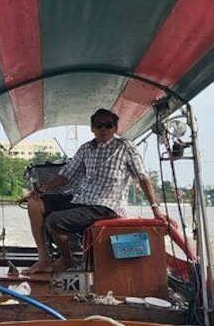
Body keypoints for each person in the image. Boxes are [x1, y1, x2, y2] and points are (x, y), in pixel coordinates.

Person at [19, 109, 170, 274]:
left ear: (115, 127)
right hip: (82, 200)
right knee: (35, 204)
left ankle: (67, 259)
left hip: (106, 206)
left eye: (108, 125)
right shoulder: (86, 149)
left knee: (54, 221)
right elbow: (67, 175)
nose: (103, 129)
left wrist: (156, 209)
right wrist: (43, 189)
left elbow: (142, 177)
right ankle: (44, 260)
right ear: (92, 128)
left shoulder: (125, 147)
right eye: (99, 125)